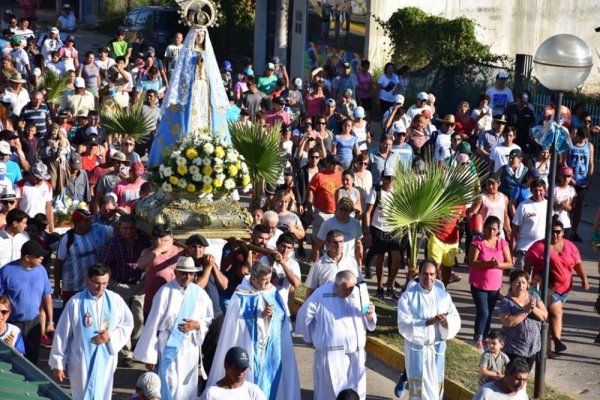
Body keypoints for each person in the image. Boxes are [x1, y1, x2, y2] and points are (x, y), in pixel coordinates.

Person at [207, 262, 300, 400]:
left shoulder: (272, 291)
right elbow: (237, 324)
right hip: (248, 346)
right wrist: (259, 316)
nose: (268, 282)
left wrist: (271, 316)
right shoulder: (240, 295)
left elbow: (282, 319)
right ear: (254, 278)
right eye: (264, 280)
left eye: (269, 279)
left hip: (272, 349)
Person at [148, 26, 230, 167]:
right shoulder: (187, 54)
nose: (200, 38)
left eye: (203, 35)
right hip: (191, 92)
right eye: (197, 35)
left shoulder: (208, 54)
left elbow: (214, 77)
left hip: (205, 90)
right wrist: (195, 66)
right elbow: (181, 76)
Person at [49, 263, 134, 399]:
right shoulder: (76, 302)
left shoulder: (115, 300)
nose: (101, 288)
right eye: (97, 283)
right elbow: (62, 334)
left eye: (105, 283)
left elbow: (127, 324)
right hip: (81, 360)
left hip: (105, 359)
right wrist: (58, 363)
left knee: (103, 394)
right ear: (88, 280)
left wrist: (111, 336)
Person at [134, 256, 214, 400]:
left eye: (190, 273)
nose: (187, 276)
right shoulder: (165, 292)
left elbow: (208, 319)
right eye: (183, 272)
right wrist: (150, 356)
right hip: (168, 343)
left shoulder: (199, 294)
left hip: (190, 346)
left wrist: (197, 325)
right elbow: (153, 323)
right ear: (176, 272)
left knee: (187, 385)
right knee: (169, 381)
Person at [296, 270, 377, 400]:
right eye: (345, 289)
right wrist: (310, 337)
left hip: (356, 354)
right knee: (330, 392)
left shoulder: (358, 292)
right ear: (336, 285)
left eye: (351, 288)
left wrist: (370, 315)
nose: (349, 293)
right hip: (331, 356)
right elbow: (303, 316)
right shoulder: (321, 294)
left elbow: (369, 319)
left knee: (356, 392)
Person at [397, 260, 461, 400]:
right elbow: (403, 324)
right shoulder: (408, 296)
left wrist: (445, 322)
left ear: (436, 275)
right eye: (425, 274)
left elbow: (455, 319)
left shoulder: (443, 296)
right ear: (419, 275)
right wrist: (428, 322)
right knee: (419, 393)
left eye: (432, 274)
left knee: (434, 391)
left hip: (436, 349)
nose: (428, 278)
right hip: (417, 349)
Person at [525, 217, 589, 353]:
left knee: (549, 316)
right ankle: (557, 341)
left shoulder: (570, 246)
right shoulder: (539, 247)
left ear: (563, 233)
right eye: (552, 232)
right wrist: (526, 283)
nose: (555, 235)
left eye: (558, 232)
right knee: (555, 312)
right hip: (546, 287)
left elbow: (577, 263)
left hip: (565, 289)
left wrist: (584, 279)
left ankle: (547, 349)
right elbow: (527, 266)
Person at [101, 214, 150, 368]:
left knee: (139, 319)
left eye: (131, 228)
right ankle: (125, 353)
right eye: (125, 229)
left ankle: (134, 341)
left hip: (139, 284)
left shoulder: (143, 242)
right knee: (122, 319)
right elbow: (105, 264)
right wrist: (109, 284)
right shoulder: (112, 243)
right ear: (120, 229)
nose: (128, 232)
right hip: (120, 285)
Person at [0, 240, 53, 363]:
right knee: (12, 359)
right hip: (12, 324)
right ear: (27, 257)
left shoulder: (41, 270)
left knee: (32, 359)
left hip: (33, 323)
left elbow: (47, 296)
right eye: (38, 256)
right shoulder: (6, 271)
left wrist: (50, 321)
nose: (42, 257)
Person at [468, 216, 513, 350]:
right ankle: (477, 339)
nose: (491, 232)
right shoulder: (477, 242)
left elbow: (509, 263)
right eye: (489, 229)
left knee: (489, 313)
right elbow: (472, 262)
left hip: (494, 286)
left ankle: (485, 338)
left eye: (494, 229)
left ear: (498, 230)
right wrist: (489, 264)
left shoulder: (502, 243)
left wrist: (498, 265)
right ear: (484, 228)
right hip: (478, 285)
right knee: (483, 312)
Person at [53, 208, 113, 303]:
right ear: (77, 222)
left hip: (92, 286)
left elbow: (115, 229)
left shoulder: (95, 231)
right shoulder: (67, 239)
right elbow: (58, 263)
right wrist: (57, 286)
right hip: (72, 287)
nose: (90, 223)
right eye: (86, 221)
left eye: (90, 220)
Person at [498, 270, 548, 368]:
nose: (521, 286)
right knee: (514, 376)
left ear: (527, 284)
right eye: (517, 282)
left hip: (532, 347)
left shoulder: (533, 296)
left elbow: (544, 316)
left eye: (523, 282)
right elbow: (508, 322)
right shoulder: (506, 302)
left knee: (524, 377)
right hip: (514, 348)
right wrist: (525, 311)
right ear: (511, 284)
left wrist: (533, 308)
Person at [305, 229, 360, 297]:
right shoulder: (318, 265)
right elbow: (310, 291)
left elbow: (359, 285)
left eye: (341, 242)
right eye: (335, 242)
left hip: (347, 305)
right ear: (327, 245)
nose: (338, 245)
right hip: (326, 305)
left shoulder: (351, 261)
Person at [199, 346, 266, 400]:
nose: (241, 372)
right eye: (237, 368)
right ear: (226, 366)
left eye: (244, 368)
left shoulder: (254, 391)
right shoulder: (210, 393)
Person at [511, 178, 547, 270]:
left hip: (542, 249)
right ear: (531, 191)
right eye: (535, 190)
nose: (538, 193)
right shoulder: (523, 205)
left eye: (540, 190)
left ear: (545, 190)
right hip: (524, 248)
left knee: (537, 280)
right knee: (521, 279)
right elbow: (515, 230)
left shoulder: (549, 205)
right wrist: (512, 251)